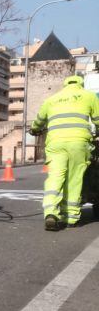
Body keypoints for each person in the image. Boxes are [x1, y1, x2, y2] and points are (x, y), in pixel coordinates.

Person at [30, 74, 99, 230]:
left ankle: (50, 212)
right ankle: (71, 217)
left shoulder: (52, 99)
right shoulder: (89, 96)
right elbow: (97, 119)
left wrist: (34, 129)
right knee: (74, 178)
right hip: (78, 143)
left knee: (55, 178)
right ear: (81, 84)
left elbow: (38, 121)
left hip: (55, 144)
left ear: (65, 84)